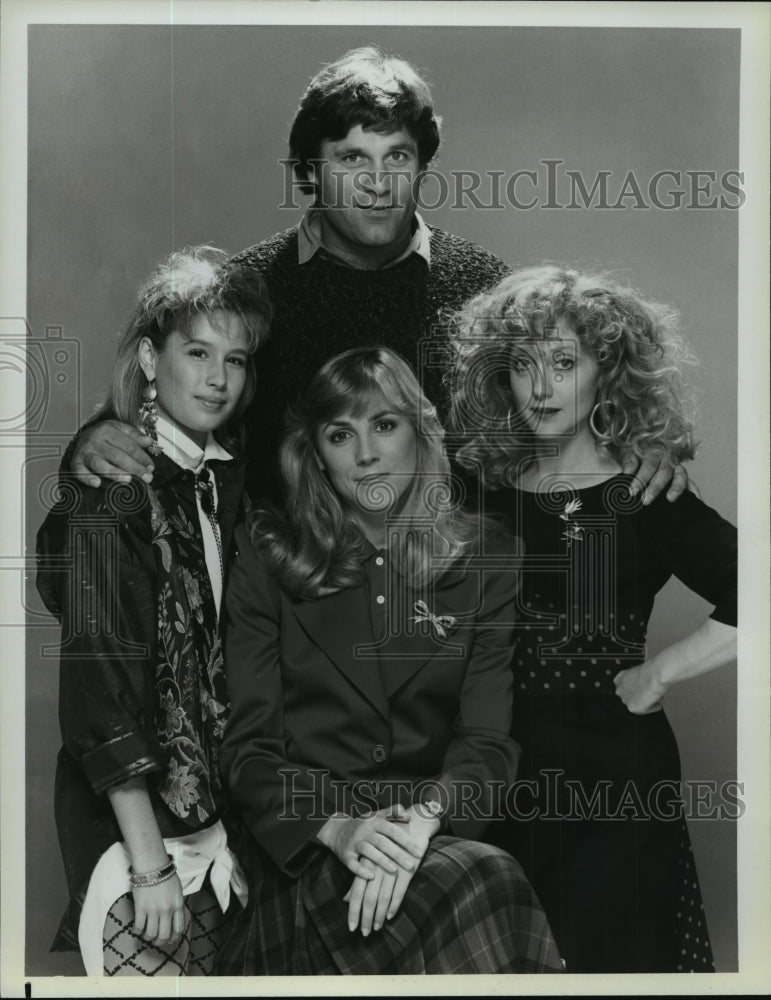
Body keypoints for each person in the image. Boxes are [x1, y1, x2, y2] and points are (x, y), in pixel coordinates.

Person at [65, 45, 684, 505]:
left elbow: (562, 403)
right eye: (352, 159)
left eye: (398, 157)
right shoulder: (247, 288)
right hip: (285, 599)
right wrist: (94, 440)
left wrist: (636, 447)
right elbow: (163, 398)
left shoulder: (485, 287)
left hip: (450, 595)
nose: (378, 183)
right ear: (310, 171)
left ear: (421, 167)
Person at [216, 346, 564, 975]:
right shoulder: (267, 556)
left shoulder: (488, 557)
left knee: (482, 876)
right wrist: (340, 828)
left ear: (419, 433)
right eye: (340, 434)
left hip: (424, 836)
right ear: (315, 454)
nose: (366, 455)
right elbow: (250, 753)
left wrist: (420, 823)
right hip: (309, 846)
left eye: (384, 425)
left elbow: (486, 740)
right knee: (487, 881)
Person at [448, 265, 737, 973]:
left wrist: (659, 673)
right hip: (496, 774)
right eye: (523, 365)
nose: (541, 388)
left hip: (615, 782)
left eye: (563, 363)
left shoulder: (644, 491)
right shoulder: (478, 491)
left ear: (607, 372)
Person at [35, 246, 272, 975]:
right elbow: (98, 685)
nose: (217, 378)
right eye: (197, 352)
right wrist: (147, 864)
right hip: (137, 825)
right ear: (148, 357)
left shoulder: (225, 484)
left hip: (229, 821)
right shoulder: (109, 495)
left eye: (235, 360)